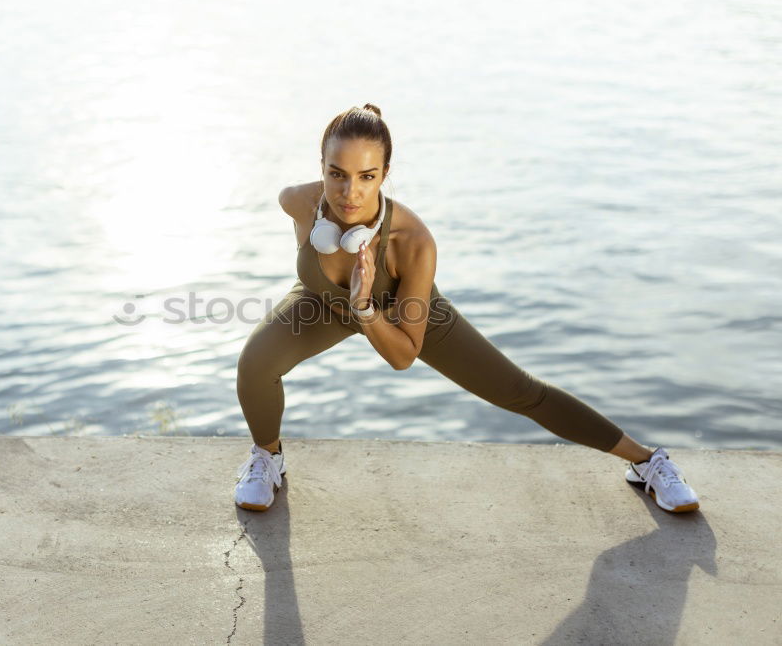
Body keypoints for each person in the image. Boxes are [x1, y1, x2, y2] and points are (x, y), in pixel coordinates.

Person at [233, 104, 700, 514]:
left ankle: (647, 462)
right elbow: (288, 202)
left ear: (385, 172)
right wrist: (329, 274)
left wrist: (366, 306)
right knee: (255, 363)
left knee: (519, 391)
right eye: (337, 173)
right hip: (322, 303)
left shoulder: (411, 242)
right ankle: (268, 457)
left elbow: (401, 358)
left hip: (395, 315)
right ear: (322, 167)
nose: (349, 192)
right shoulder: (303, 203)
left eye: (366, 176)